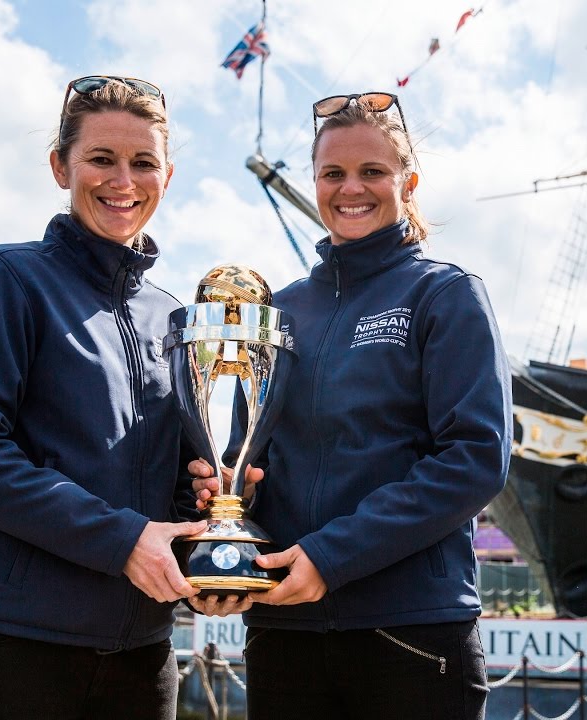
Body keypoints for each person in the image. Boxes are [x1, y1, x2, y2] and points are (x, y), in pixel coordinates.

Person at [192, 92, 512, 720]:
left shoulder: (445, 295)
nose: (350, 189)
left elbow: (474, 459)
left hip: (410, 633)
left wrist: (332, 557)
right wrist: (223, 509)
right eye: (333, 174)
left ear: (408, 182)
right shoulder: (276, 312)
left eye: (373, 172)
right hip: (286, 631)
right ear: (315, 182)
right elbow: (246, 455)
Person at [0, 75, 210, 720]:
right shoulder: (5, 278)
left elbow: (174, 479)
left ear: (167, 175)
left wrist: (205, 519)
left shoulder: (174, 319)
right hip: (4, 653)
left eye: (143, 163)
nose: (122, 181)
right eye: (101, 159)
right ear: (60, 166)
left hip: (142, 662)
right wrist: (123, 540)